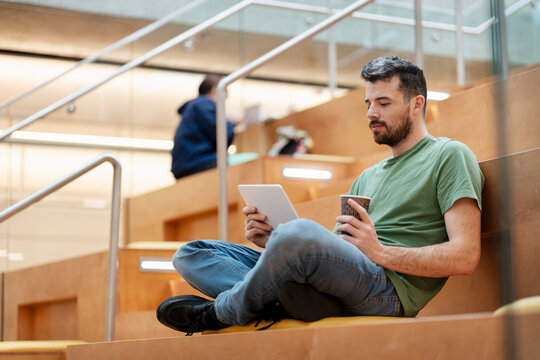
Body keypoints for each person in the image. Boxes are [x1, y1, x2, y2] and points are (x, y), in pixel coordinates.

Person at [156, 56, 484, 335]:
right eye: (368, 103)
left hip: (387, 291)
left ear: (417, 104)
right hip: (348, 276)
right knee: (191, 253)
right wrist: (273, 243)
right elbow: (336, 249)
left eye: (383, 103)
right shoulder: (369, 175)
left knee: (298, 233)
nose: (371, 113)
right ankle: (289, 299)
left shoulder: (449, 155)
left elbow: (465, 256)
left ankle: (219, 314)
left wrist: (380, 252)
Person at [171, 74, 236, 179]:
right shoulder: (205, 104)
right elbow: (221, 136)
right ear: (215, 90)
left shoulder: (193, 107)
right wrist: (230, 123)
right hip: (197, 163)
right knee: (247, 163)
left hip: (185, 166)